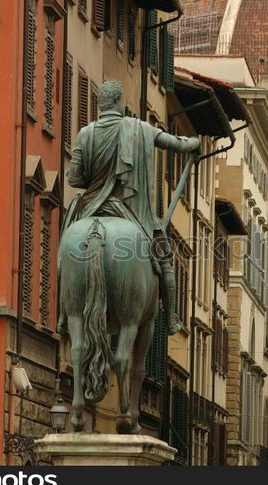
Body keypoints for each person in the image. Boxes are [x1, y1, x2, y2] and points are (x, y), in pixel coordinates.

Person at [63, 80, 200, 335]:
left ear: (101, 104)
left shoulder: (85, 133)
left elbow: (74, 179)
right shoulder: (140, 128)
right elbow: (177, 144)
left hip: (92, 208)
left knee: (66, 251)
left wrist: (97, 180)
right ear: (118, 102)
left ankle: (64, 315)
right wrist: (194, 144)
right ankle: (171, 319)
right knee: (166, 260)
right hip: (132, 213)